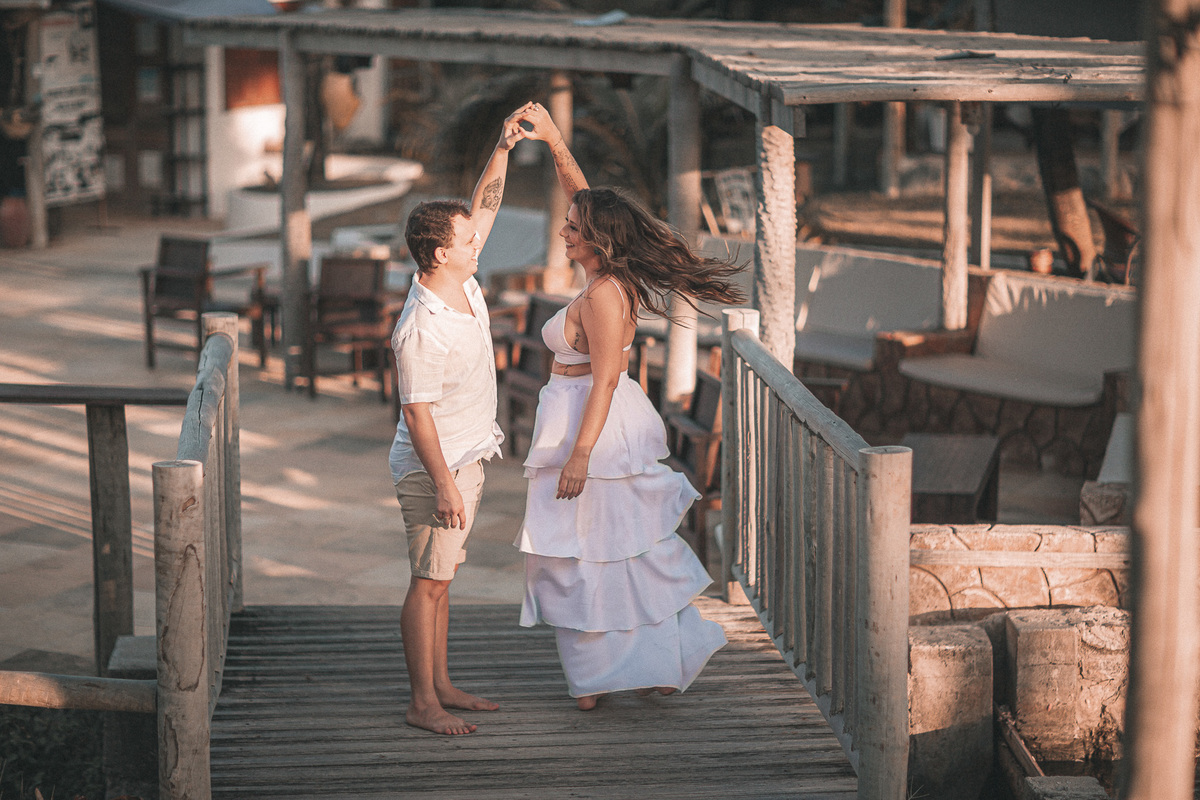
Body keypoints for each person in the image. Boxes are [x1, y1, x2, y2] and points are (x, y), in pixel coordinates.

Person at [512, 103, 746, 710]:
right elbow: (586, 200)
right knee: (593, 551)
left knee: (594, 552)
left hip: (594, 428)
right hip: (582, 417)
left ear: (596, 241)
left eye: (571, 228)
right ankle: (619, 669)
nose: (563, 231)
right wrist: (559, 143)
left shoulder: (604, 296)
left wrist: (580, 455)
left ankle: (611, 672)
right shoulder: (601, 277)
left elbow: (607, 381)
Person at [390, 104, 532, 735]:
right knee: (427, 581)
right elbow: (416, 415)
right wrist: (446, 483)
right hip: (435, 467)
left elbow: (485, 206)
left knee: (443, 579)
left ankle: (442, 684)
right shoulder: (421, 326)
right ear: (442, 252)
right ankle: (423, 704)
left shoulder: (461, 282)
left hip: (466, 455)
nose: (481, 241)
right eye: (469, 240)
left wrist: (502, 146)